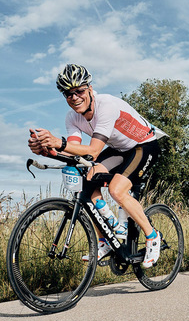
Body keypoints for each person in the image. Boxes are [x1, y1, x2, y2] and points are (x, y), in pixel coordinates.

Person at [28, 63, 161, 268]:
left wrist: (58, 142)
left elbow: (92, 151)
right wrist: (46, 149)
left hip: (143, 145)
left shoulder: (106, 105)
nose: (75, 97)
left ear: (89, 89)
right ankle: (105, 240)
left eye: (79, 90)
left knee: (117, 190)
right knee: (87, 184)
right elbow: (73, 149)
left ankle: (152, 236)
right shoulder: (72, 117)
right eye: (68, 94)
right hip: (118, 148)